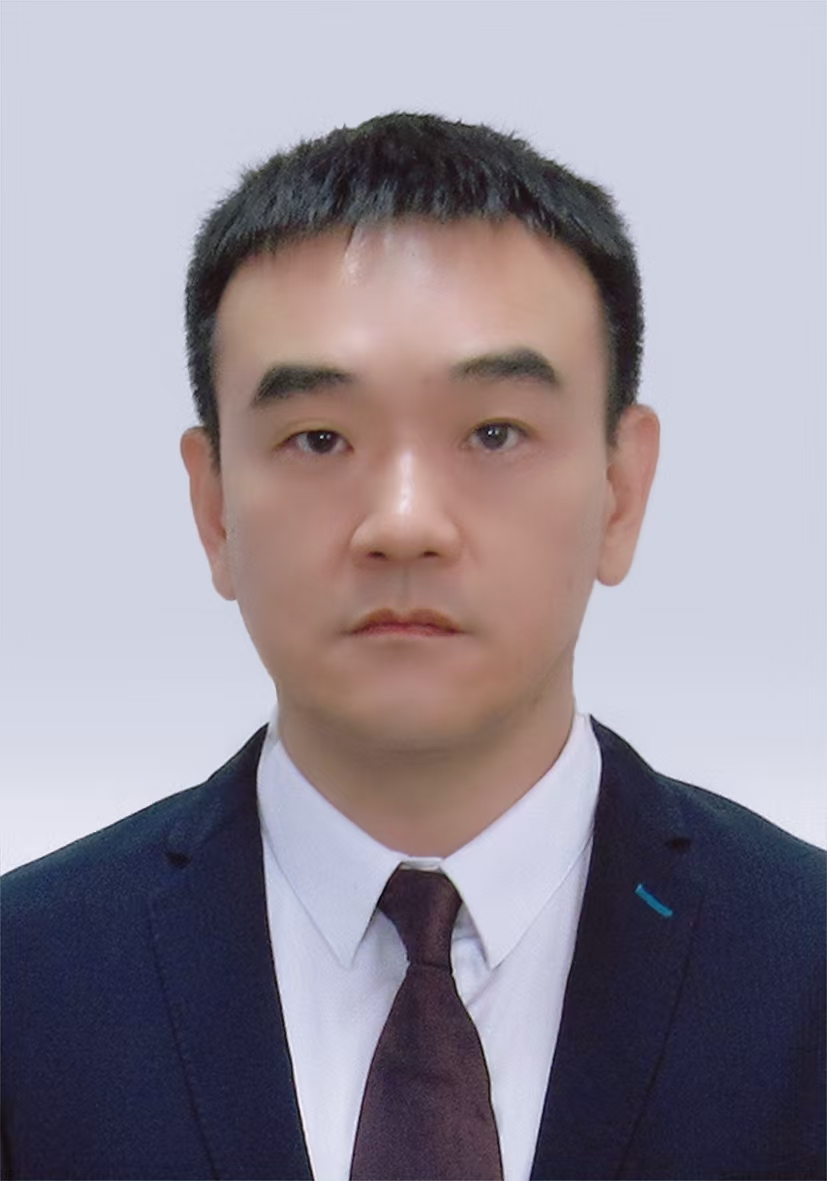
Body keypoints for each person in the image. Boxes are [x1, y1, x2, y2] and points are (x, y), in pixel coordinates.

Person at [1, 112, 823, 1181]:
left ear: (620, 491)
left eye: (492, 433)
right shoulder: (29, 982)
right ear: (213, 507)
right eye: (318, 438)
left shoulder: (802, 965)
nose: (401, 522)